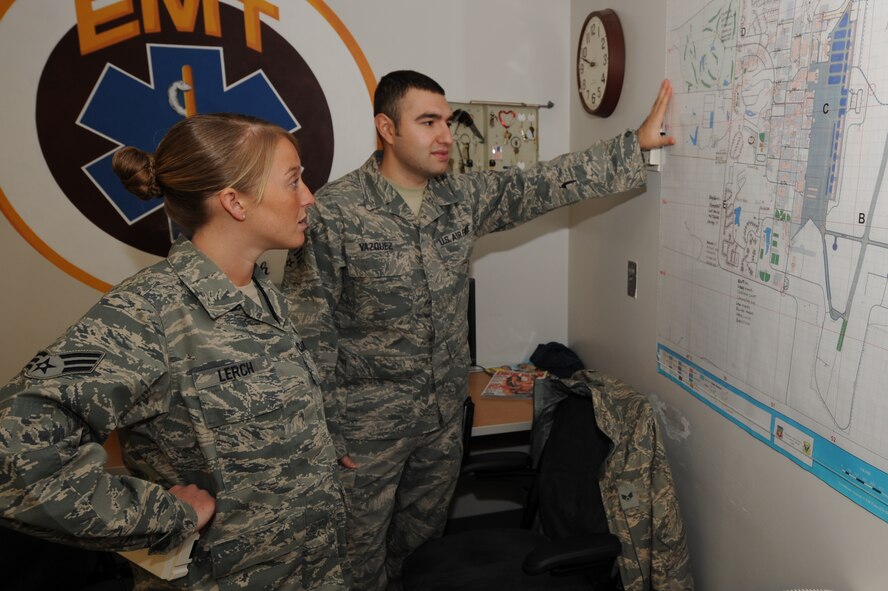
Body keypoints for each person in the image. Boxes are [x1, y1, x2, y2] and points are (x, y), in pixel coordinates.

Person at [282, 70, 675, 590]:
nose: (447, 135)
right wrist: (325, 432)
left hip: (441, 423)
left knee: (423, 553)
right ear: (387, 128)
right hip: (364, 430)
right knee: (356, 561)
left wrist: (634, 146)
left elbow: (540, 183)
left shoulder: (459, 198)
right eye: (428, 122)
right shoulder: (333, 212)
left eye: (448, 121)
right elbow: (308, 331)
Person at [0, 113, 349, 590]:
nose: (309, 197)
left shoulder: (262, 292)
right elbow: (14, 459)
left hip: (315, 568)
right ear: (234, 201)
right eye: (293, 181)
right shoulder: (146, 314)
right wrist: (162, 513)